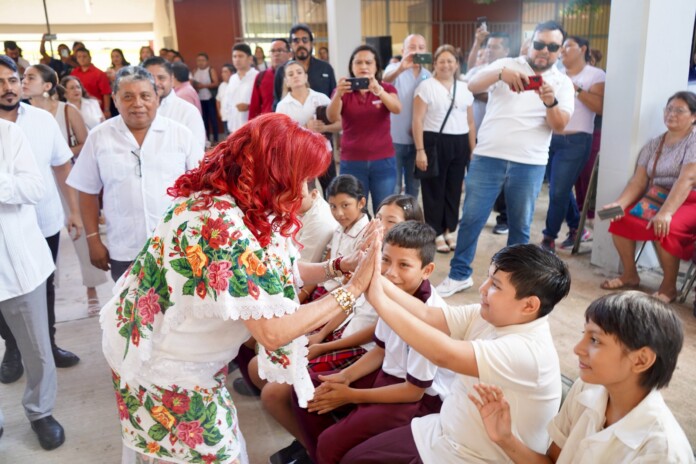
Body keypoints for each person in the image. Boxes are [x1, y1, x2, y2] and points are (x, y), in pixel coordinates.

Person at [100, 112, 380, 463]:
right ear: (274, 175)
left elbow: (276, 269)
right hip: (162, 364)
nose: (308, 192)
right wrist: (353, 288)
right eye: (303, 179)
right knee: (216, 455)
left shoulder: (241, 204)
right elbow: (274, 331)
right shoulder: (216, 223)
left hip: (181, 355)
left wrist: (338, 266)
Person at [342, 244, 571, 463]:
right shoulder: (494, 315)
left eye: (495, 285)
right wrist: (373, 277)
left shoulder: (527, 351)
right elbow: (427, 315)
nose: (482, 289)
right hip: (440, 432)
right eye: (488, 278)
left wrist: (375, 296)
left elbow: (443, 354)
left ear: (529, 305)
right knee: (352, 459)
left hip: (474, 458)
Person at [291, 221, 453, 464]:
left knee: (331, 443)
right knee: (305, 389)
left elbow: (413, 391)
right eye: (385, 260)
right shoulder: (392, 292)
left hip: (415, 401)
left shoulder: (430, 314)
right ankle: (327, 450)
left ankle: (333, 446)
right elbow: (381, 349)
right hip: (387, 377)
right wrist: (345, 376)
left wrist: (351, 395)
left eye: (404, 265)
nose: (390, 272)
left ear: (427, 270)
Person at [470, 291, 694, 463]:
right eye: (584, 335)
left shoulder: (662, 451)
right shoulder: (587, 390)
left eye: (595, 340)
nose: (578, 348)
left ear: (641, 360)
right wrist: (505, 438)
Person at [438, 20, 574, 298]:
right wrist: (500, 73)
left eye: (551, 46)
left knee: (520, 227)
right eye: (539, 44)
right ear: (531, 42)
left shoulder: (563, 83)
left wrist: (550, 101)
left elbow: (559, 125)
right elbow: (471, 85)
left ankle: (510, 283)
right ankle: (458, 274)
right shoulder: (507, 65)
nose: (543, 51)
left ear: (560, 50)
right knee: (472, 218)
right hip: (488, 157)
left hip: (530, 163)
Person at [67, 66, 204, 282]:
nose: (138, 103)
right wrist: (93, 239)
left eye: (145, 96)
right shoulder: (99, 137)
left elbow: (201, 189)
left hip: (177, 245)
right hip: (125, 249)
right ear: (115, 99)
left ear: (157, 98)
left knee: (179, 313)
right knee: (130, 313)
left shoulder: (180, 135)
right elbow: (86, 190)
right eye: (128, 97)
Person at [0, 55, 82, 380]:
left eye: (12, 80)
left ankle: (47, 344)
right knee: (4, 291)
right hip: (4, 228)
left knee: (44, 287)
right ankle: (13, 348)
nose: (7, 88)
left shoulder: (43, 120)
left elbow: (62, 165)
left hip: (43, 219)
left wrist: (73, 210)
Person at [0, 119, 67, 451]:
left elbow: (34, 188)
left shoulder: (8, 134)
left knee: (38, 350)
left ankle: (40, 412)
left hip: (18, 266)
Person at [21, 64, 109, 316]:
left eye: (30, 78)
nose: (24, 82)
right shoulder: (21, 115)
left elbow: (86, 142)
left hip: (68, 177)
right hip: (38, 183)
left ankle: (92, 290)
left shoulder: (66, 111)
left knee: (79, 235)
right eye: (23, 77)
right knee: (40, 237)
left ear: (47, 86)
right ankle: (46, 292)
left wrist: (60, 154)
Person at [599, 91, 696, 304]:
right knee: (620, 218)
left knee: (664, 226)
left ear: (693, 117)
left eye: (679, 110)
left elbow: (687, 179)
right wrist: (619, 204)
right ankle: (630, 275)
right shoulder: (655, 143)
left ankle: (669, 287)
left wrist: (666, 213)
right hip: (657, 196)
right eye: (669, 109)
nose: (672, 114)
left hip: (688, 199)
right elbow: (639, 180)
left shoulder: (694, 141)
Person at [541, 36, 605, 252]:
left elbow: (599, 106)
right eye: (562, 46)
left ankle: (548, 237)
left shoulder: (595, 75)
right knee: (558, 188)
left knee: (558, 190)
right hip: (549, 137)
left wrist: (574, 88)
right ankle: (577, 227)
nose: (563, 50)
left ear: (583, 49)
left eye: (569, 46)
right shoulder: (555, 73)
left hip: (576, 141)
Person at [413, 44, 476, 254]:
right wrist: (420, 150)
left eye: (450, 61)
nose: (446, 65)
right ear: (435, 64)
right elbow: (418, 120)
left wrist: (472, 148)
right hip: (434, 143)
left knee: (454, 189)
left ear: (456, 64)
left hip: (460, 143)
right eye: (442, 61)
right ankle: (435, 232)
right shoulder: (426, 87)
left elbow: (470, 122)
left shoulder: (465, 87)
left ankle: (449, 229)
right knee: (433, 190)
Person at [327, 44, 402, 212]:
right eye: (358, 62)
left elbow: (397, 108)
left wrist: (379, 91)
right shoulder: (343, 90)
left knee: (383, 210)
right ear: (351, 67)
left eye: (368, 62)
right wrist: (338, 94)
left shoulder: (386, 88)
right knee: (354, 212)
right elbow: (332, 117)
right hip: (352, 161)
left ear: (376, 67)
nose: (363, 66)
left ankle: (380, 240)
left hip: (383, 161)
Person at [276, 60, 341, 192]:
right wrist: (305, 128)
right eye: (291, 74)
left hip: (324, 154)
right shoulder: (282, 106)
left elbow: (340, 124)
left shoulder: (322, 98)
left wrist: (324, 128)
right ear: (286, 81)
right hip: (300, 157)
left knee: (331, 192)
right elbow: (280, 137)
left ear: (305, 77)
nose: (295, 76)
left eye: (299, 72)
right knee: (306, 196)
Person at [383, 33, 431, 198]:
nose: (416, 51)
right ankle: (393, 222)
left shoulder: (428, 75)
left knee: (413, 187)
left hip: (417, 141)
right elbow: (385, 80)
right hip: (393, 139)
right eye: (412, 47)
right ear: (403, 50)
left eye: (421, 48)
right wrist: (401, 67)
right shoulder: (394, 69)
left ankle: (410, 221)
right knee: (394, 187)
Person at [143, 56, 206, 151]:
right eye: (150, 78)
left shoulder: (188, 111)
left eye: (161, 78)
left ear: (172, 80)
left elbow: (196, 152)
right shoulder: (136, 111)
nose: (155, 83)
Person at [273, 24, 337, 107]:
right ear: (291, 45)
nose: (301, 44)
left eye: (305, 40)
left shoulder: (325, 68)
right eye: (296, 41)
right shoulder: (282, 70)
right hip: (292, 118)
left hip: (323, 118)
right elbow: (277, 102)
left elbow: (334, 98)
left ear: (311, 44)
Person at [249, 38, 291, 120]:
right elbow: (254, 107)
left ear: (289, 54)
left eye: (280, 50)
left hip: (291, 125)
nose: (276, 54)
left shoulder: (296, 75)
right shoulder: (261, 76)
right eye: (273, 51)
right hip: (267, 125)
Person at [223, 43, 258, 133]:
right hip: (233, 128)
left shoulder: (257, 76)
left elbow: (263, 103)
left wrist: (249, 107)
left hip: (252, 128)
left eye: (240, 56)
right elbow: (228, 101)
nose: (237, 59)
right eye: (234, 56)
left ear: (250, 59)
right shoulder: (233, 78)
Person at [71, 47, 112, 118]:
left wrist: (106, 110)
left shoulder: (99, 73)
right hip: (77, 109)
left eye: (84, 56)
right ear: (76, 59)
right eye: (79, 57)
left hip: (96, 110)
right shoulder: (74, 73)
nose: (82, 59)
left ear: (90, 58)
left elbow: (106, 93)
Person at [192, 52, 219, 143]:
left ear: (207, 61)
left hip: (209, 98)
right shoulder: (195, 71)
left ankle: (215, 139)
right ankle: (206, 139)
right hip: (199, 99)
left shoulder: (210, 70)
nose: (200, 62)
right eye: (198, 60)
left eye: (203, 60)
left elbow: (216, 83)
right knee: (204, 120)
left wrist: (203, 86)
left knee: (213, 119)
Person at [216, 63, 235, 137]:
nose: (222, 74)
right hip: (225, 117)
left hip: (234, 118)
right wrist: (219, 112)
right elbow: (218, 100)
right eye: (222, 72)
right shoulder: (222, 85)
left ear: (232, 73)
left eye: (225, 72)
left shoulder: (235, 84)